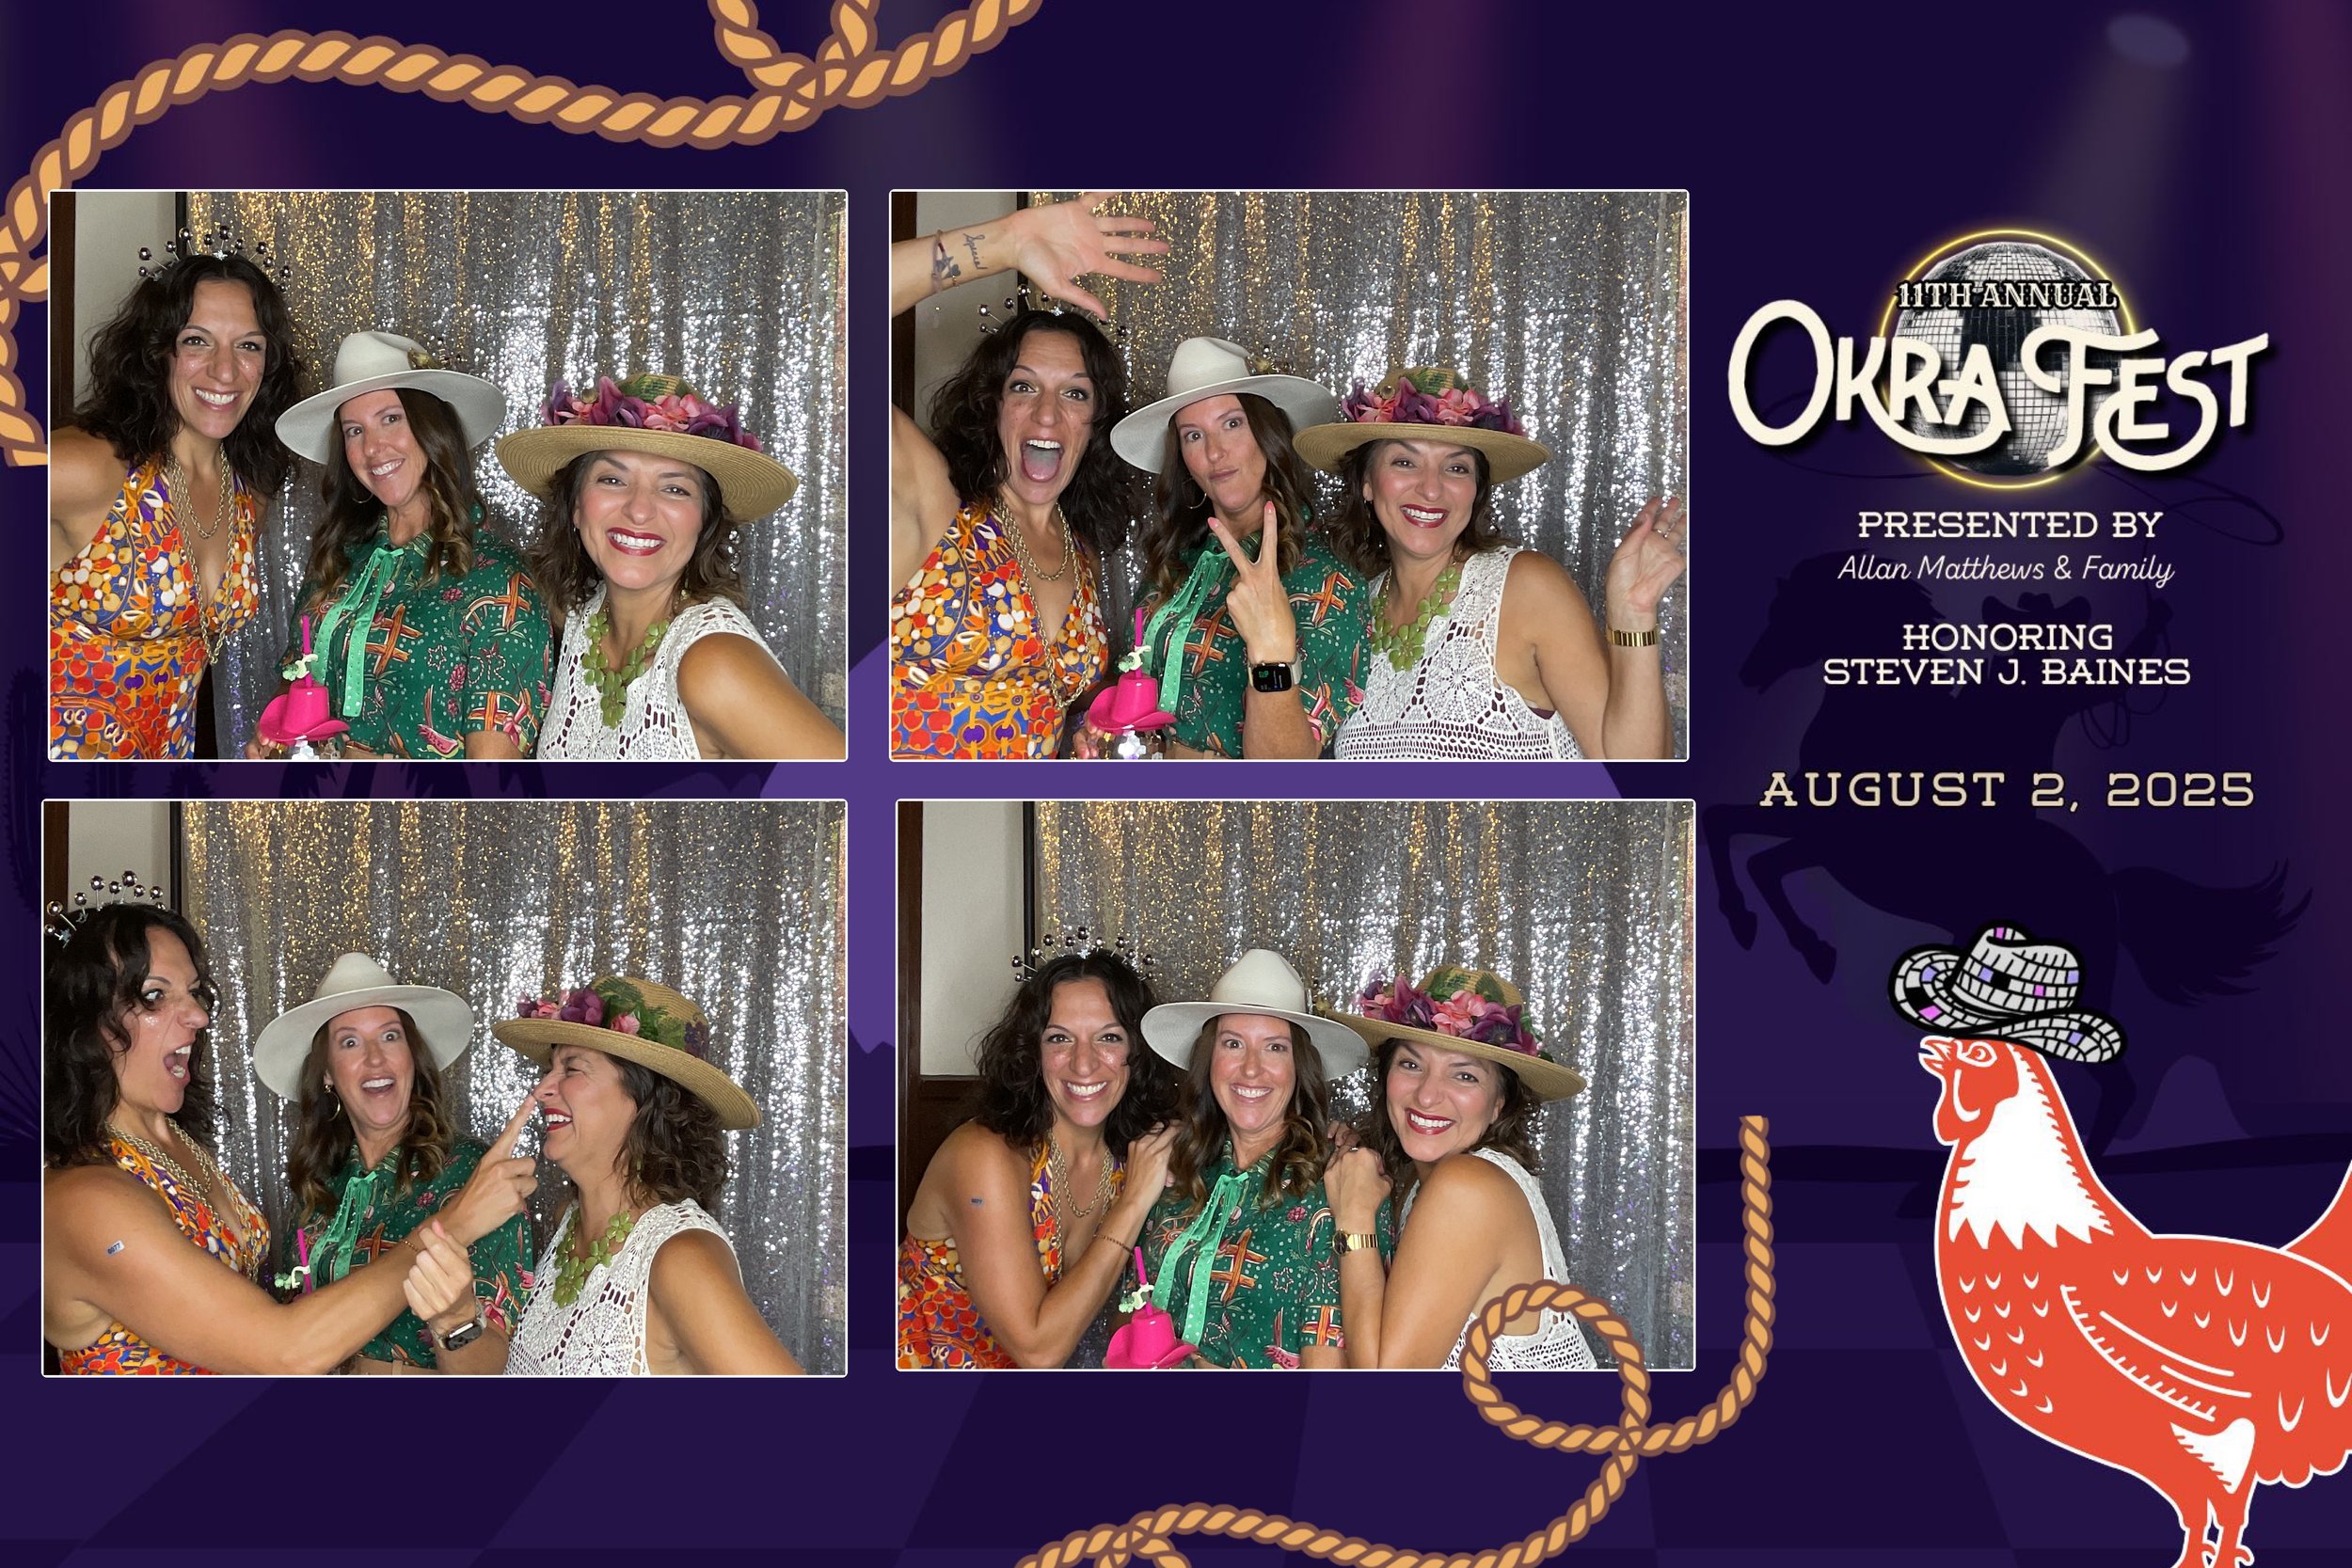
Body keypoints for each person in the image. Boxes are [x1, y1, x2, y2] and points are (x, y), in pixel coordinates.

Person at [42, 899, 531, 1373]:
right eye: (154, 995)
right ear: (86, 1023)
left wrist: (454, 1321)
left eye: (195, 992)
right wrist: (457, 1223)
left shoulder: (174, 1145)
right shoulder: (84, 1199)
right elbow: (286, 1349)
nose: (200, 1016)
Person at [889, 194, 1166, 757]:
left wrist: (1082, 734)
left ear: (1095, 424)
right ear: (991, 405)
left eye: (1074, 393)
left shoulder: (1078, 547)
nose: (1046, 414)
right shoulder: (935, 497)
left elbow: (1034, 709)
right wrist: (1008, 242)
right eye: (1023, 386)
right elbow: (834, 306)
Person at [1295, 369, 1687, 760]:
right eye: (1404, 462)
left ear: (1476, 491)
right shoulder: (1354, 606)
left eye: (1456, 468)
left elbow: (1640, 774)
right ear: (1366, 483)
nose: (1431, 488)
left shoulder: (1525, 586)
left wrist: (1631, 616)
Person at [498, 373, 843, 760]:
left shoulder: (714, 664)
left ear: (704, 521)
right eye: (612, 479)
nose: (639, 510)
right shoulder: (577, 617)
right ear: (576, 508)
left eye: (675, 488)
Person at [50, 247, 302, 759]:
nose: (225, 371)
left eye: (248, 346)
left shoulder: (248, 491)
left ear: (268, 365)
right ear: (156, 351)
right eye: (196, 341)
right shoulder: (94, 467)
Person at [485, 976, 804, 1374]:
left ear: (645, 1099)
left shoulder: (681, 1259)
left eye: (572, 1068)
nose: (541, 1089)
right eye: (551, 1068)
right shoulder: (569, 1225)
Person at [261, 330, 552, 759]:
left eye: (391, 418)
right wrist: (271, 741)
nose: (373, 448)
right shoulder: (340, 559)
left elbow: (492, 789)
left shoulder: (498, 579)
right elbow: (296, 680)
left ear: (431, 426)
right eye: (354, 430)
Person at [251, 952, 535, 1373]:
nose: (375, 1059)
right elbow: (293, 1303)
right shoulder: (320, 1182)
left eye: (390, 1036)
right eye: (349, 1042)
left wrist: (455, 1319)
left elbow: (494, 1371)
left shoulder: (474, 1175)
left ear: (411, 1058)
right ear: (327, 1072)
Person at [898, 948, 1179, 1367]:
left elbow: (1120, 1316)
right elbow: (1036, 1350)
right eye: (1059, 1038)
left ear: (1136, 1055)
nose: (1084, 1064)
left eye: (1109, 1037)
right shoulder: (984, 1156)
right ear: (1032, 1052)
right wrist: (1135, 1202)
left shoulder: (1131, 1158)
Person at [1102, 337, 1367, 759]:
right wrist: (1101, 731)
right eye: (1193, 435)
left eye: (1232, 423)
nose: (1214, 452)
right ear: (1182, 457)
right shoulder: (1174, 565)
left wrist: (1270, 648)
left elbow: (1285, 779)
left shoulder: (1325, 578)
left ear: (1268, 432)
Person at [1326, 963, 1598, 1370]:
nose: (1428, 1095)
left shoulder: (1469, 1186)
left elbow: (1383, 1387)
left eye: (1465, 1075)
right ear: (1385, 1078)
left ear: (1499, 1105)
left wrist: (1355, 1216)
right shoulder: (1433, 1183)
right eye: (1411, 1065)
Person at [1132, 948, 1371, 1368]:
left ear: (1300, 1066)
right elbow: (1132, 1309)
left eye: (1275, 1048)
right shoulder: (1174, 1165)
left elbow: (1330, 1385)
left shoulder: (1339, 1183)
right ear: (1209, 1060)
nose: (1251, 1069)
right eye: (1233, 1044)